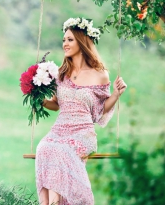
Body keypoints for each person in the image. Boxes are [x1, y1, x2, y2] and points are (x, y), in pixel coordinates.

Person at [35, 18, 127, 205]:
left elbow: (101, 109)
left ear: (82, 41)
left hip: (82, 132)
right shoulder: (60, 73)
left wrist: (116, 94)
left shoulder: (99, 73)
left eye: (70, 39)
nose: (65, 44)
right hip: (59, 129)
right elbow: (56, 103)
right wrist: (41, 102)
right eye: (63, 40)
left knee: (61, 151)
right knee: (44, 147)